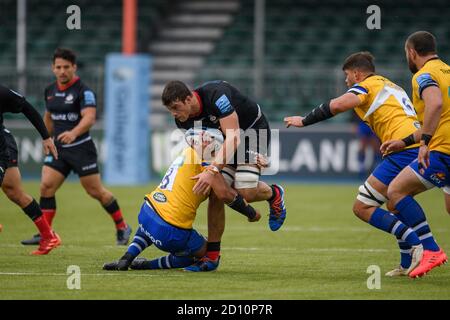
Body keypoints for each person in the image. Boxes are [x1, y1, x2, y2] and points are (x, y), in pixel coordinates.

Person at [284, 51, 440, 276]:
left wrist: (304, 120)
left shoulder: (367, 85)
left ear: (357, 74)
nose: (346, 81)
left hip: (403, 151)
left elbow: (338, 105)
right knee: (394, 206)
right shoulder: (391, 85)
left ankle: (418, 244)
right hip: (412, 144)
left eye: (347, 76)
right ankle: (407, 263)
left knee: (362, 207)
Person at [160, 80, 287, 271]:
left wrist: (212, 170)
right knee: (215, 193)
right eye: (170, 110)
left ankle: (274, 194)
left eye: (176, 107)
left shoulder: (216, 95)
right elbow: (206, 151)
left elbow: (234, 136)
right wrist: (212, 173)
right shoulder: (183, 120)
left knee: (246, 192)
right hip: (223, 144)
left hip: (251, 132)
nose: (174, 114)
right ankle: (211, 257)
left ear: (189, 98)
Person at [103, 129, 261, 271]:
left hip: (146, 212)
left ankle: (126, 258)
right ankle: (148, 265)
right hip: (172, 231)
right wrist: (252, 213)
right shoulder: (206, 163)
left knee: (153, 220)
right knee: (208, 252)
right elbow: (225, 193)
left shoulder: (187, 152)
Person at [21, 48, 132, 246]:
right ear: (53, 68)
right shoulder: (50, 91)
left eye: (66, 67)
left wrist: (73, 133)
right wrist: (46, 137)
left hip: (81, 149)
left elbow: (89, 118)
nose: (62, 71)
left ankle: (122, 227)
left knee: (95, 191)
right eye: (58, 67)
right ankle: (45, 233)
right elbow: (49, 116)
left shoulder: (84, 91)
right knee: (46, 186)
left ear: (74, 67)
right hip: (59, 150)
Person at [380, 31, 449, 278]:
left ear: (411, 52)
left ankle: (431, 249)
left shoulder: (424, 75)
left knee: (395, 192)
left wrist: (425, 143)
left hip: (443, 150)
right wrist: (406, 141)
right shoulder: (447, 70)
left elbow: (436, 105)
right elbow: (439, 117)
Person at [0, 84, 60, 255]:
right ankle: (49, 236)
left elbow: (26, 107)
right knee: (15, 193)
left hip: (2, 149)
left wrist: (46, 137)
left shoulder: (1, 92)